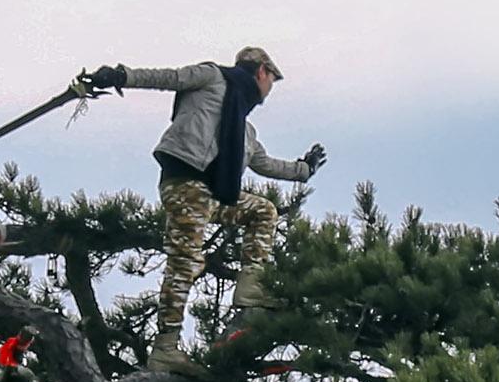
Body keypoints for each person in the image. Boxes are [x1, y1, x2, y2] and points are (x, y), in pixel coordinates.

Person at [78, 47, 325, 351]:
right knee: (185, 262)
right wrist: (121, 76)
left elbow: (266, 164)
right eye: (272, 80)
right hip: (185, 182)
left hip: (208, 194)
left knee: (262, 210)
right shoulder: (213, 77)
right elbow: (170, 78)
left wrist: (304, 169)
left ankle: (250, 288)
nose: (269, 90)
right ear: (262, 71)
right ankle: (166, 347)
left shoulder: (244, 130)